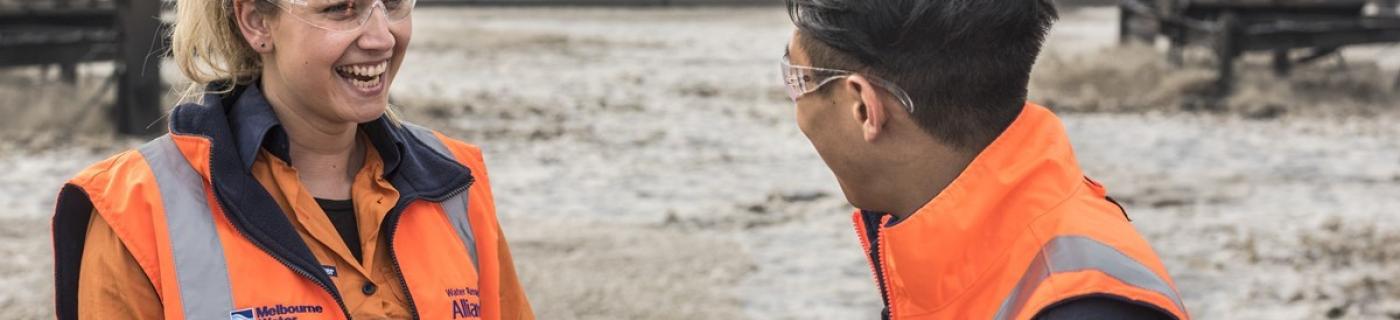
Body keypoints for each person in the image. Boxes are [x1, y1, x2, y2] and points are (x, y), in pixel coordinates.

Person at [50, 0, 532, 318]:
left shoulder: (456, 185)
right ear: (256, 22)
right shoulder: (137, 211)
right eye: (342, 8)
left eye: (394, 3)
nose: (382, 37)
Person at [780, 0, 1189, 319]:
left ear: (864, 109)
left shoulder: (1083, 306)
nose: (797, 108)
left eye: (797, 81)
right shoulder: (1022, 227)